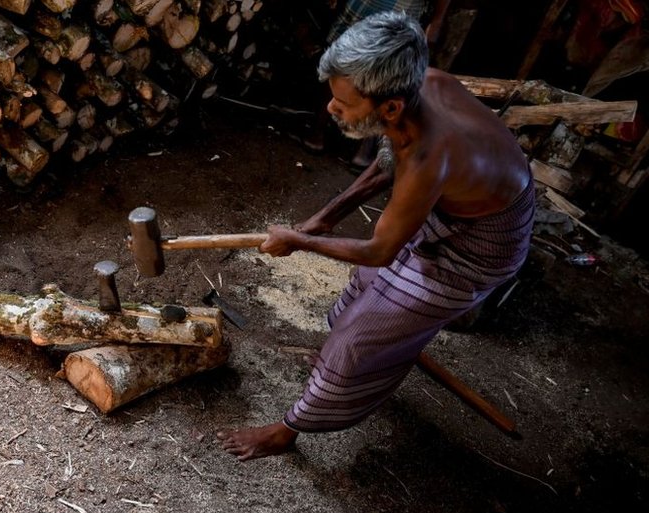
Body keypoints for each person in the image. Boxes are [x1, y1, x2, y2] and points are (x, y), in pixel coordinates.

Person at [217, 11, 535, 461]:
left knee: (360, 336)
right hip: (457, 201)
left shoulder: (429, 154)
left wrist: (298, 241)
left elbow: (382, 250)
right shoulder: (421, 86)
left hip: (484, 244)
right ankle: (357, 363)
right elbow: (390, 154)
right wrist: (325, 218)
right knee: (364, 290)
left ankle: (289, 429)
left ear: (389, 107)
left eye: (344, 105)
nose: (332, 108)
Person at [302, 0, 452, 159]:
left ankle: (367, 150)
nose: (330, 107)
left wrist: (437, 20)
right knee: (343, 74)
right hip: (367, 6)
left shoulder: (423, 157)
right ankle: (320, 129)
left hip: (403, 10)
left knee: (379, 87)